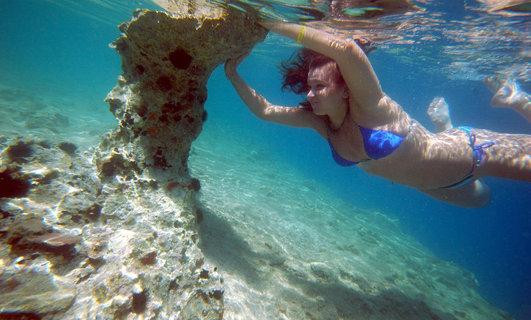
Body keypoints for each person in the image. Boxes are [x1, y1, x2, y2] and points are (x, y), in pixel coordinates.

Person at [224, 21, 531, 208]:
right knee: (481, 199)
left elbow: (346, 50)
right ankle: (444, 126)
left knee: (485, 194)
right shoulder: (320, 122)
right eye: (309, 86)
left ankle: (519, 101)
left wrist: (270, 23)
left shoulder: (372, 107)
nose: (309, 94)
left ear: (345, 90)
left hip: (475, 153)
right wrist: (231, 72)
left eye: (319, 86)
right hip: (433, 186)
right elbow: (265, 110)